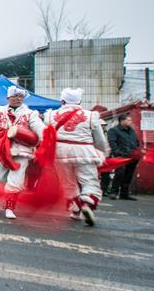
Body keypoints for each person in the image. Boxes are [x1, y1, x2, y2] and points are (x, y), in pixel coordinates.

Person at [0, 86, 45, 220]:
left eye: (21, 96)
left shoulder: (30, 114)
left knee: (15, 179)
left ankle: (9, 207)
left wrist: (41, 143)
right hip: (2, 147)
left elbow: (41, 130)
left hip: (21, 150)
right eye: (15, 96)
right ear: (8, 98)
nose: (18, 99)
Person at [43, 88, 109, 226]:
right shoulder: (90, 116)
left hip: (59, 153)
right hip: (84, 152)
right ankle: (86, 203)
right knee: (89, 181)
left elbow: (45, 136)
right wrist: (102, 152)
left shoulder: (50, 115)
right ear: (79, 101)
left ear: (62, 101)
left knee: (68, 183)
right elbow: (100, 140)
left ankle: (75, 209)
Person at [107, 112, 141, 200]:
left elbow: (136, 141)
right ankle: (114, 192)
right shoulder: (114, 130)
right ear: (122, 121)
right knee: (119, 173)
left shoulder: (131, 131)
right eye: (128, 120)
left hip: (132, 156)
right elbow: (112, 142)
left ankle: (124, 193)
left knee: (129, 175)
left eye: (130, 120)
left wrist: (136, 150)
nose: (130, 121)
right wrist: (117, 152)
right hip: (121, 156)